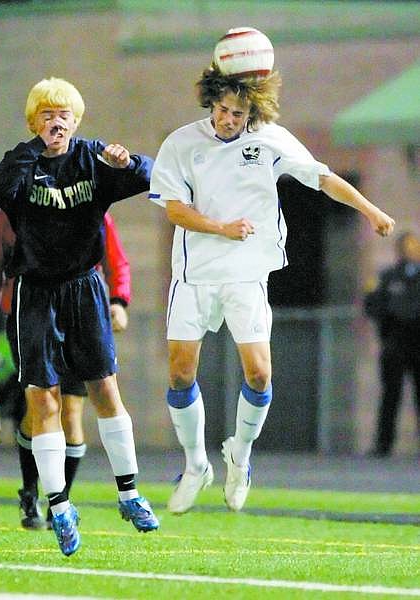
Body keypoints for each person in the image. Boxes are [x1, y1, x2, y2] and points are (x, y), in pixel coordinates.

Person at [149, 32, 395, 515]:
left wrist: (371, 210)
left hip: (246, 275)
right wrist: (220, 227)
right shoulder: (181, 143)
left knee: (259, 374)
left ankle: (239, 454)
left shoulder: (270, 139)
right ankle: (196, 464)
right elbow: (173, 209)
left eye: (237, 114)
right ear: (211, 102)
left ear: (252, 114)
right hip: (194, 274)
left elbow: (323, 178)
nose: (227, 120)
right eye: (221, 110)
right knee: (180, 372)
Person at [0, 76, 159, 556]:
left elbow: (152, 177)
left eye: (64, 114)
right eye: (46, 114)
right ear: (33, 121)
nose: (56, 121)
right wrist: (32, 149)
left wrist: (131, 162)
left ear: (77, 120)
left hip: (84, 290)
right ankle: (58, 505)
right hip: (34, 294)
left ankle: (129, 493)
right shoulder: (23, 165)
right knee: (44, 400)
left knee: (104, 388)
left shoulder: (93, 159)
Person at [0, 209, 132, 529]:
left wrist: (119, 300)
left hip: (79, 313)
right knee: (40, 407)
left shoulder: (88, 199)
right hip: (28, 313)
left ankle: (59, 503)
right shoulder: (14, 206)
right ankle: (30, 493)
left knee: (72, 412)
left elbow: (117, 259)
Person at [364, 231, 420, 457]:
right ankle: (383, 444)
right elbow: (373, 305)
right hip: (394, 344)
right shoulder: (387, 277)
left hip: (418, 344)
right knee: (390, 396)